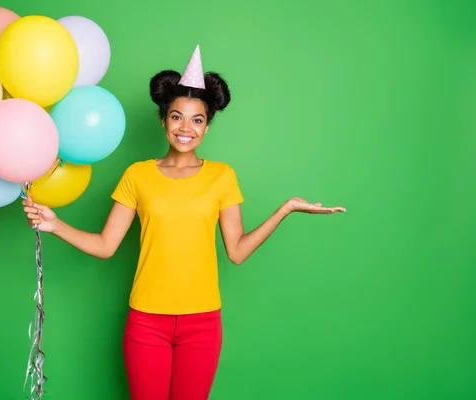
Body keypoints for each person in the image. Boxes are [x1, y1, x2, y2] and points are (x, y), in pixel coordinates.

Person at [22, 45, 346, 400]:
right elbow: (105, 245)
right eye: (176, 117)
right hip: (146, 321)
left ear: (207, 127)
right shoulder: (137, 175)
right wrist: (56, 225)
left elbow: (236, 252)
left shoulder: (222, 177)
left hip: (202, 323)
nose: (185, 128)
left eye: (197, 120)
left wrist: (285, 210)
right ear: (163, 120)